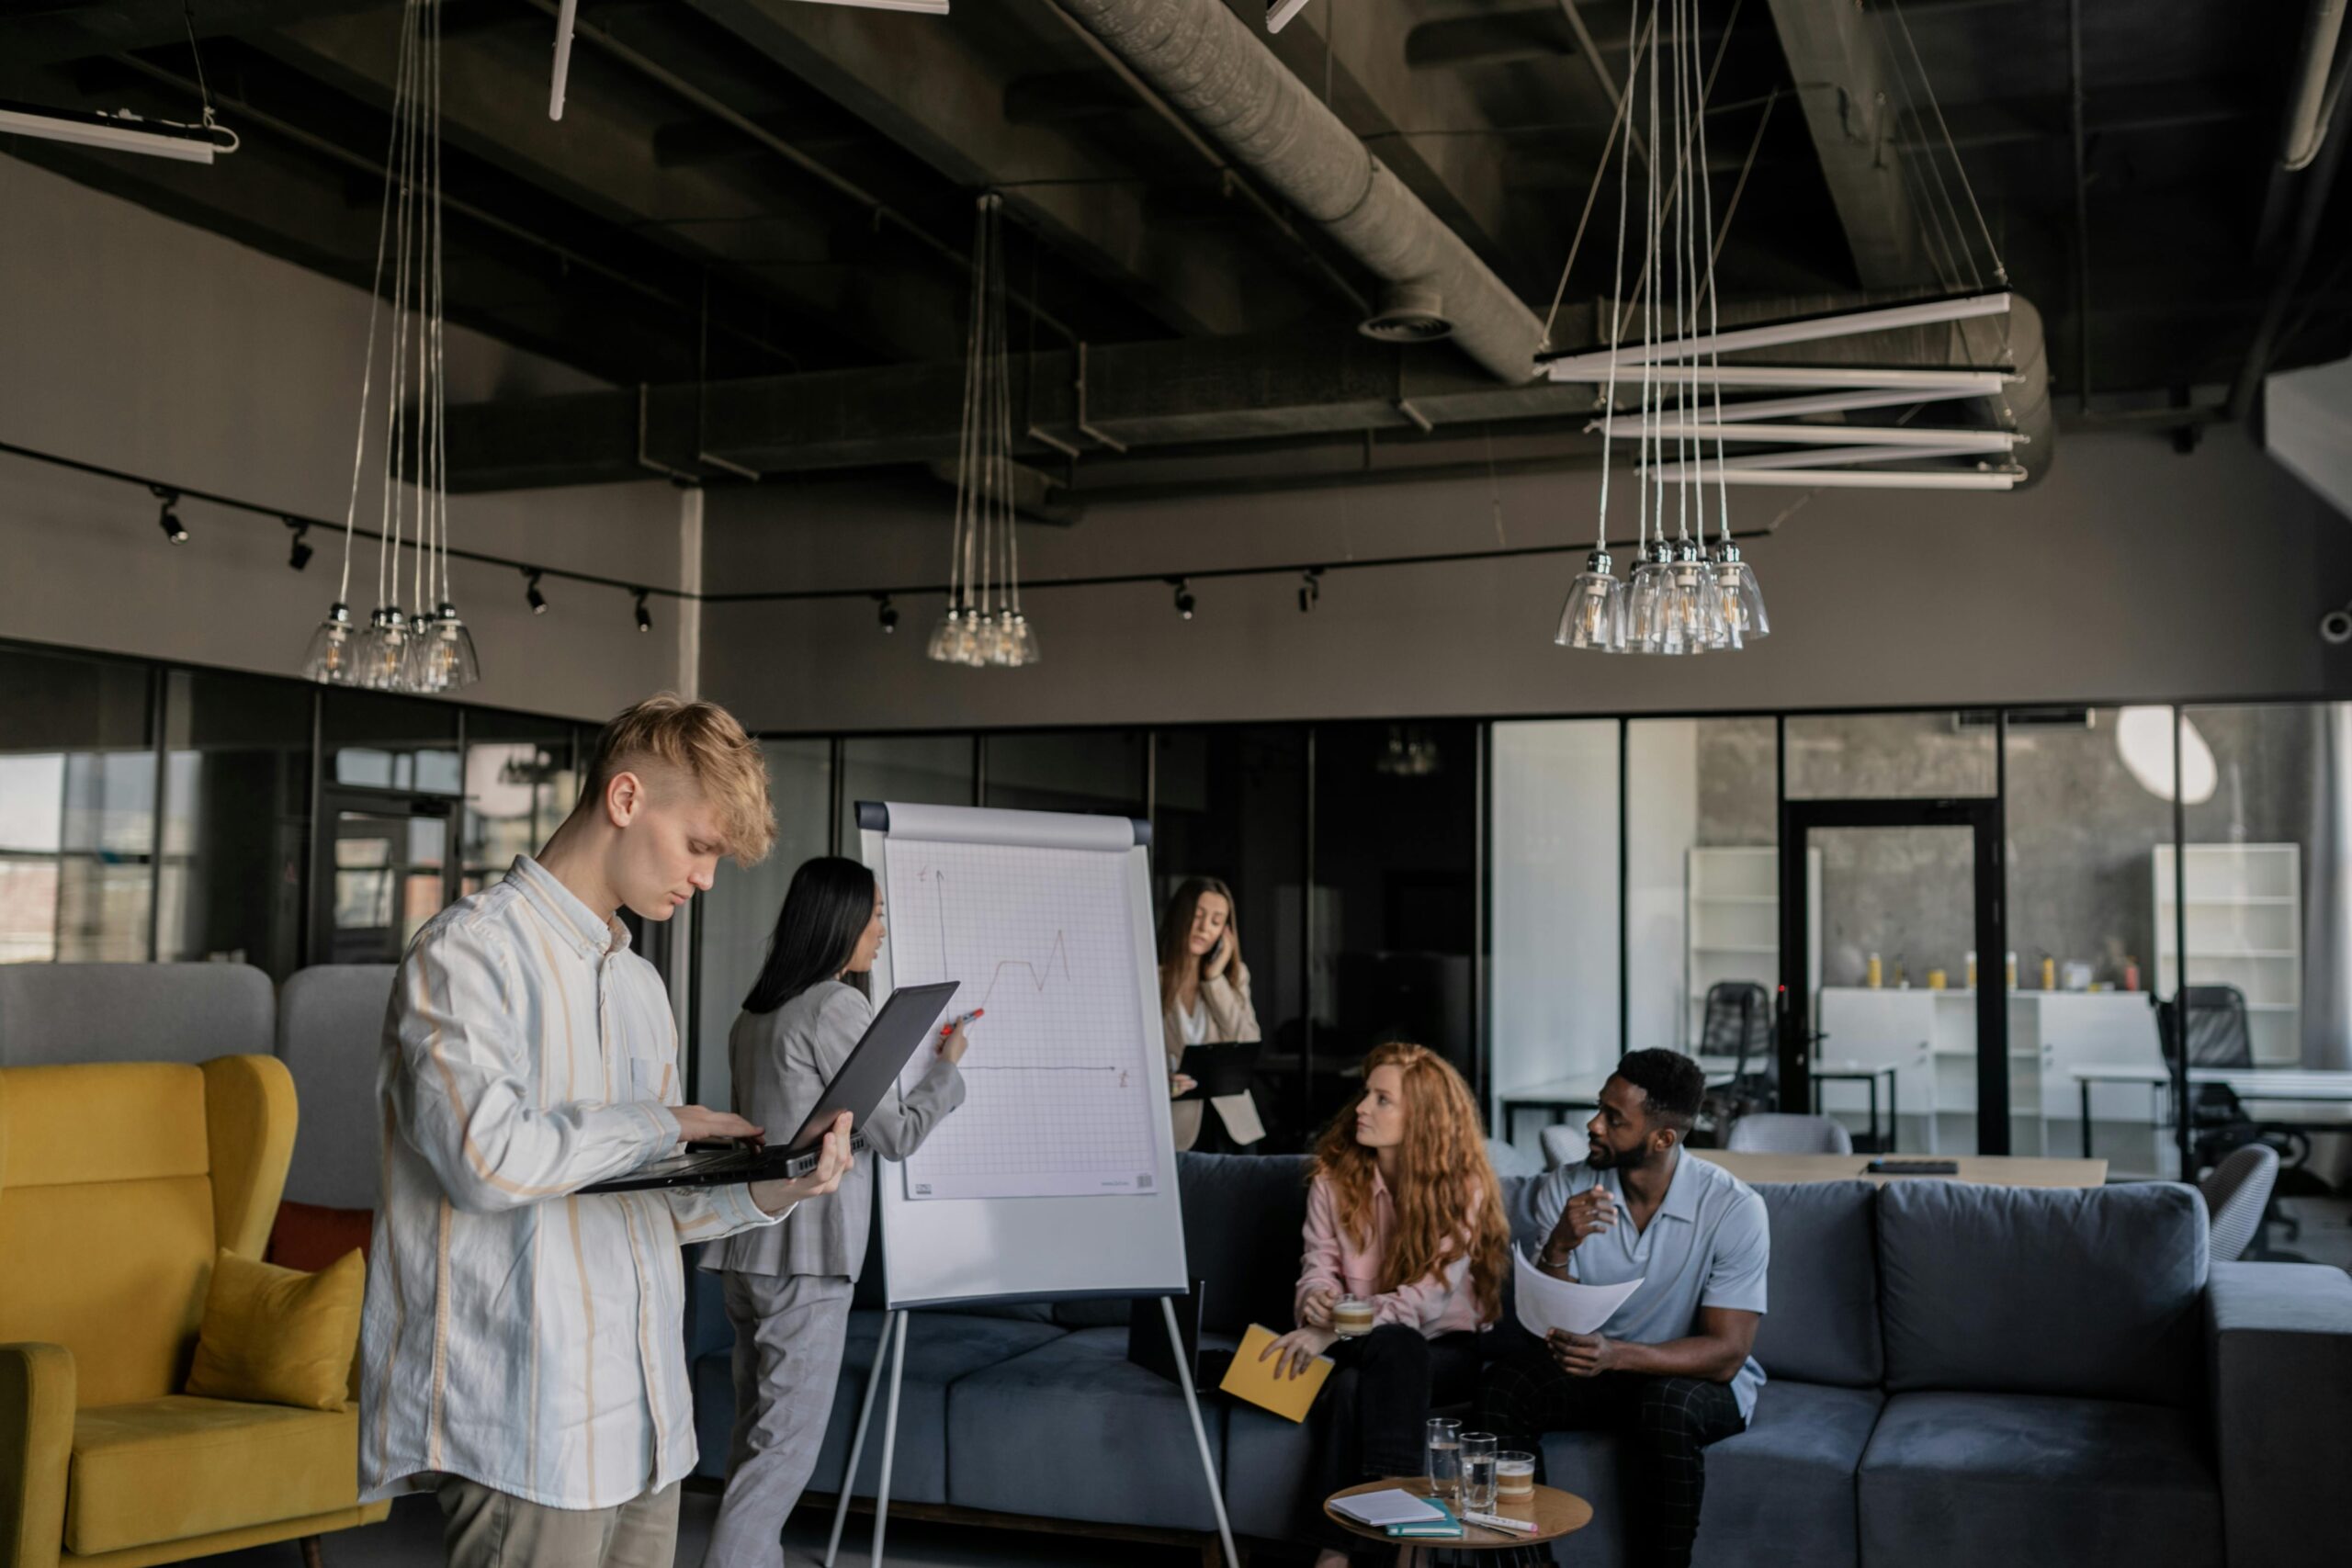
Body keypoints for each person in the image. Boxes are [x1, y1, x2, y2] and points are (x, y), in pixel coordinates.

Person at [359, 694, 857, 1568]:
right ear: (625, 800)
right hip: (528, 1427)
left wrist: (780, 1181)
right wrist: (657, 1122)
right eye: (700, 845)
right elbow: (488, 1160)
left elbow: (651, 1206)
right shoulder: (465, 954)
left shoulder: (640, 989)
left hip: (650, 1432)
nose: (706, 878)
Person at [698, 856, 974, 1567]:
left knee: (756, 1440)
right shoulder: (836, 1006)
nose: (882, 930)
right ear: (840, 921)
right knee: (781, 1455)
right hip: (808, 1256)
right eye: (875, 913)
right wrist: (946, 1070)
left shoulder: (754, 1014)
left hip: (747, 1247)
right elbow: (897, 1132)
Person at [1476, 1049, 1769, 1568]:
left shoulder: (1733, 1208)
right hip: (1598, 1366)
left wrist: (1617, 1355)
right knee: (1505, 1385)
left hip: (1690, 1380)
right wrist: (1559, 1249)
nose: (1593, 1125)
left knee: (1666, 1406)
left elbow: (1726, 1354)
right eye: (1599, 1108)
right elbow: (1550, 1330)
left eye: (1614, 1118)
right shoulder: (1566, 1188)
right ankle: (1527, 1564)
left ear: (1663, 1139)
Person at [1260, 1043, 1509, 1568]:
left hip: (1446, 1350)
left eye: (1382, 1099)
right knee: (1387, 1350)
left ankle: (1335, 1552)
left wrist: (1331, 1330)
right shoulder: (1332, 1179)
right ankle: (1404, 1543)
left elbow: (1428, 1299)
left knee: (1374, 1368)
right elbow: (1316, 1266)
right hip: (1369, 1345)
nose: (1361, 1109)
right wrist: (1315, 1301)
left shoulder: (1463, 1188)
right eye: (1365, 1094)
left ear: (1423, 1117)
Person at [1158, 875, 1263, 1150]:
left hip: (1232, 1126)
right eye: (1198, 915)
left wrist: (1214, 980)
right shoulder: (1151, 978)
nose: (1205, 928)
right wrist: (1160, 1079)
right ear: (1180, 916)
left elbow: (1247, 1039)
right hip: (1176, 1127)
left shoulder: (1234, 978)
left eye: (1216, 921)